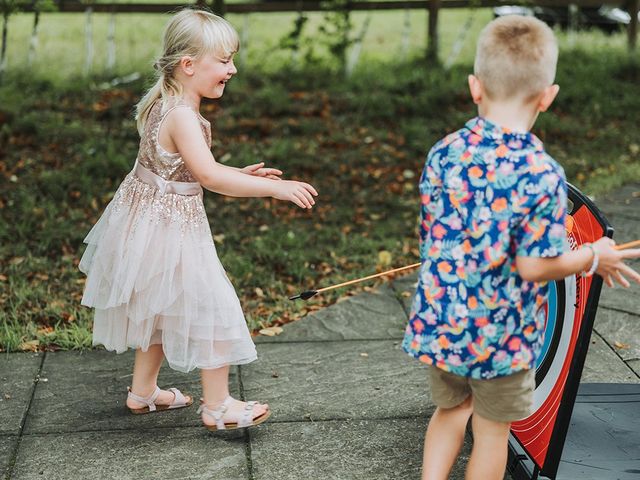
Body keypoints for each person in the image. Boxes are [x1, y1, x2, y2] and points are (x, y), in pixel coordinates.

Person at [402, 15, 640, 480]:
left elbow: (431, 233)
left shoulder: (444, 150)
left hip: (443, 320)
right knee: (491, 433)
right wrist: (595, 256)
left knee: (450, 413)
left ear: (475, 86)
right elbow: (534, 265)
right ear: (547, 97)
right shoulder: (541, 172)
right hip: (500, 334)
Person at [79, 8, 318, 431]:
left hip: (147, 225)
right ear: (188, 65)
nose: (233, 69)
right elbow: (207, 175)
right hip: (170, 230)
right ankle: (218, 405)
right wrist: (275, 189)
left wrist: (238, 174)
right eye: (224, 61)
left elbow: (185, 168)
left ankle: (143, 392)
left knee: (155, 310)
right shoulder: (183, 116)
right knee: (212, 307)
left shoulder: (165, 103)